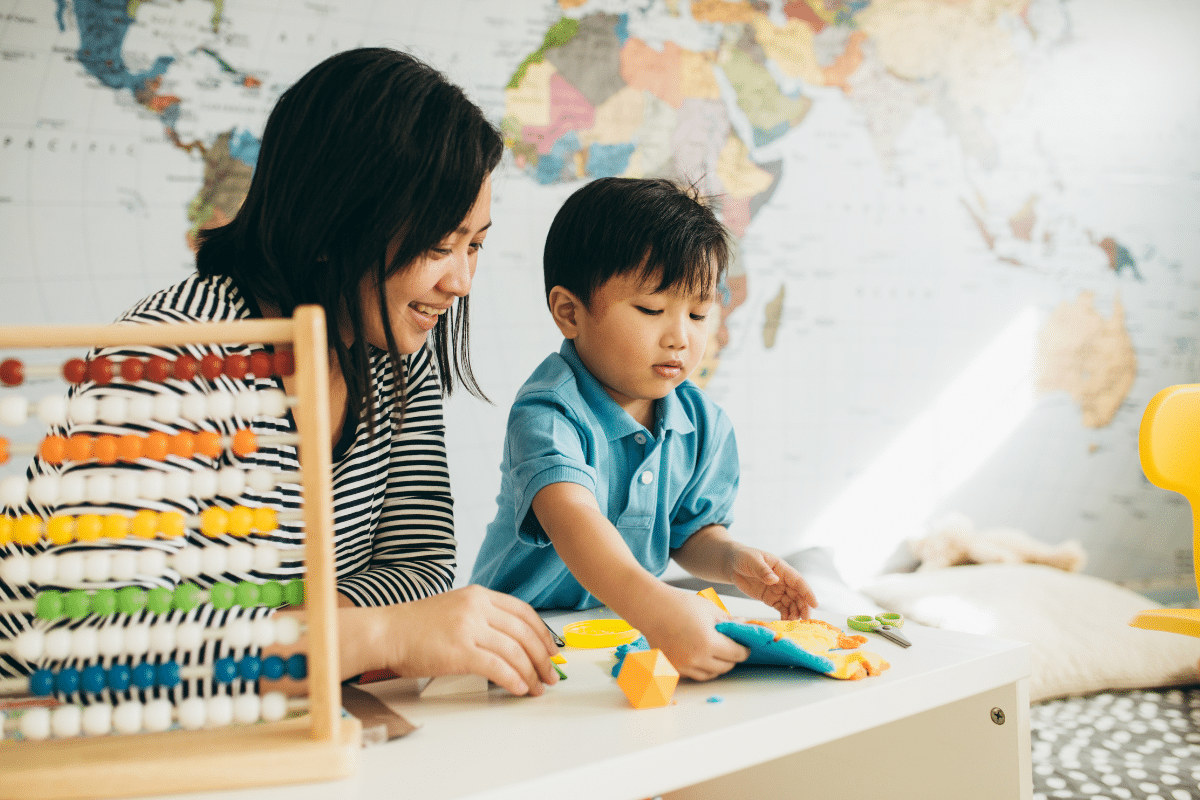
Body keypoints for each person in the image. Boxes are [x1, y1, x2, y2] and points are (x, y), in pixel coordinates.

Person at [0, 47, 558, 701]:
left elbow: (422, 568)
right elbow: (101, 640)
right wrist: (371, 637)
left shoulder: (393, 359)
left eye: (475, 245)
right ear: (334, 221)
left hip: (263, 712)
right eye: (439, 245)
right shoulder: (166, 359)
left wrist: (308, 636)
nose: (460, 281)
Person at [471, 177, 817, 681]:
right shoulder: (547, 412)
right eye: (652, 310)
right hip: (517, 640)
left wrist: (734, 561)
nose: (680, 336)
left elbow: (690, 533)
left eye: (699, 313)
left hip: (621, 633)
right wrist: (657, 607)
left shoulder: (702, 424)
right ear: (570, 312)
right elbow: (573, 520)